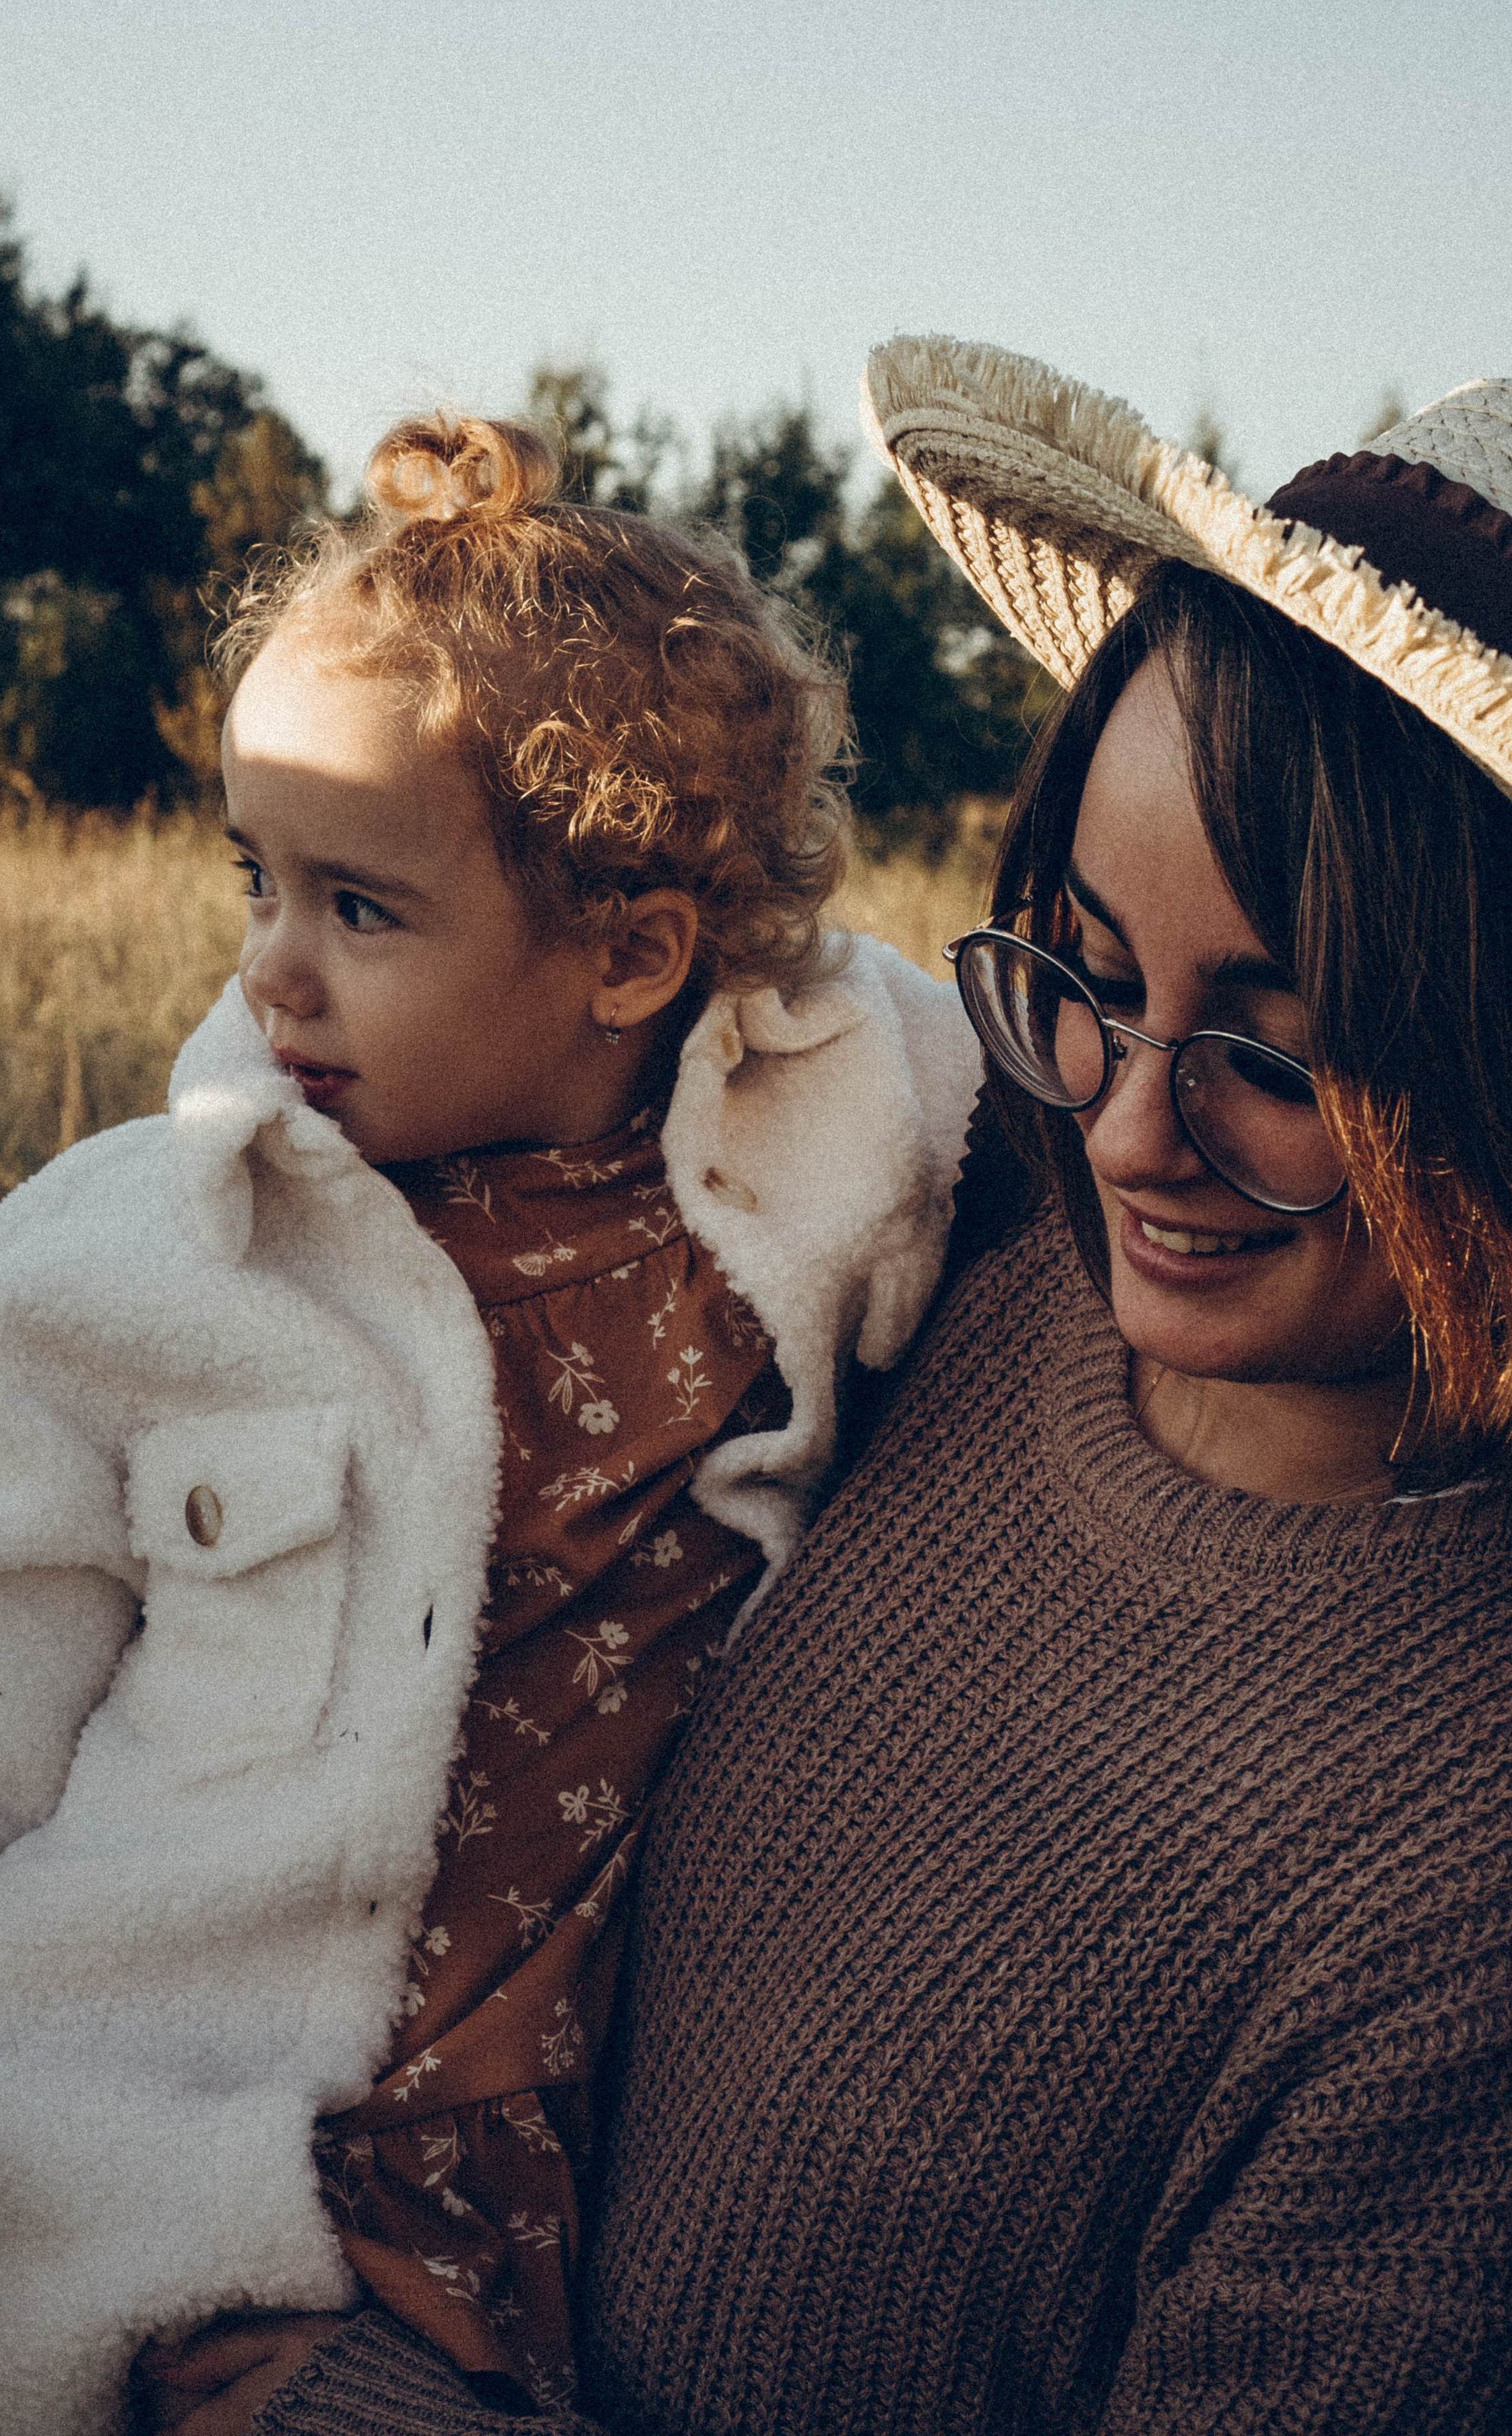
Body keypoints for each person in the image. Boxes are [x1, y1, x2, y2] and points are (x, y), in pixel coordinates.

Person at [219, 348, 1512, 2435]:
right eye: (1083, 975)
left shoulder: (1460, 1899)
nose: (1125, 1133)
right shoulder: (971, 1245)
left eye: (1276, 1054)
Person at [0, 414, 980, 2436]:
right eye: (259, 880)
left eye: (361, 908)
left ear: (628, 953)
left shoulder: (835, 1144)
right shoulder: (137, 1264)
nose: (270, 972)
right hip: (195, 2166)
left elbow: (989, 1052)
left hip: (593, 2167)